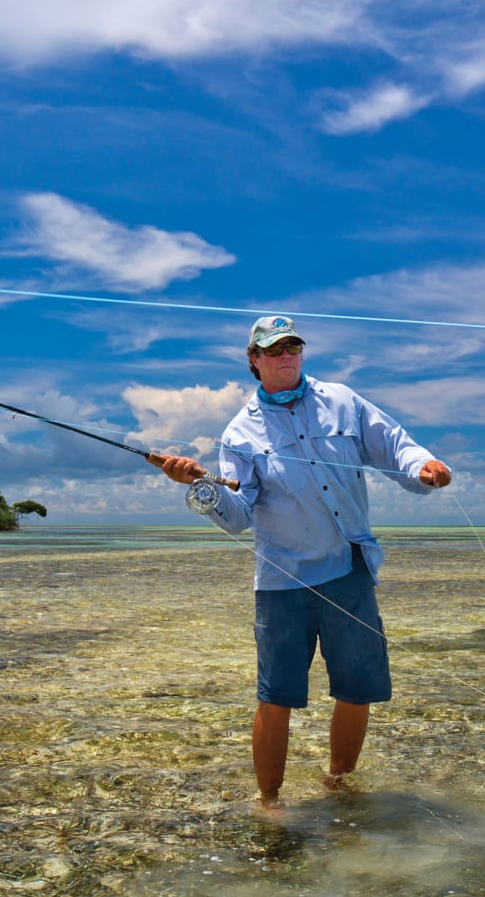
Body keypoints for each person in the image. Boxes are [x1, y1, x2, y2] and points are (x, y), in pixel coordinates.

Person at [161, 314, 451, 809]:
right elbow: (238, 518)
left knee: (356, 690)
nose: (286, 355)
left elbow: (394, 445)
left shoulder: (342, 400)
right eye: (273, 350)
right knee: (276, 695)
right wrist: (200, 486)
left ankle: (339, 787)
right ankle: (269, 804)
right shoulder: (239, 433)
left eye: (292, 345)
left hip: (347, 564)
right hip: (282, 579)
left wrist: (423, 469)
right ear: (254, 360)